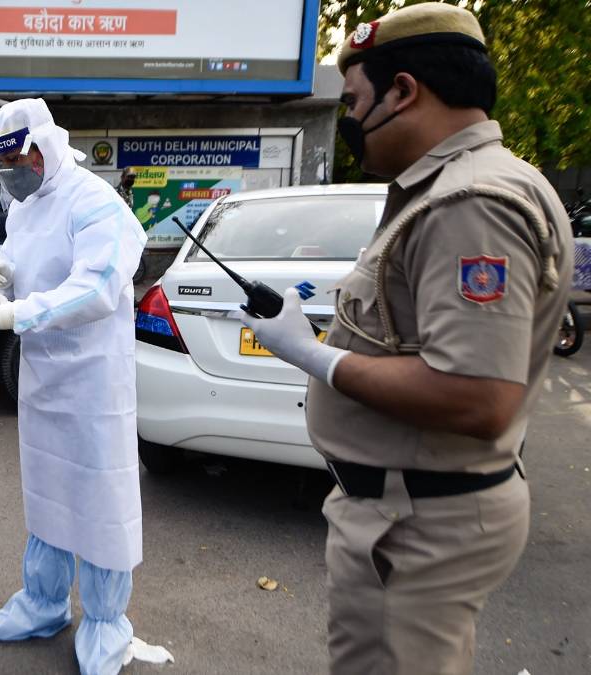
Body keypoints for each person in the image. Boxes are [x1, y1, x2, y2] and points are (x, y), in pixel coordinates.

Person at [238, 4, 573, 673]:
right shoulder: (452, 190)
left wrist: (309, 353)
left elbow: (479, 396)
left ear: (404, 92)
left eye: (356, 101)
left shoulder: (471, 203)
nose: (353, 121)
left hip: (415, 525)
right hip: (411, 509)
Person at [0, 99, 148, 675]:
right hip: (42, 382)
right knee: (48, 494)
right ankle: (44, 601)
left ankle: (107, 622)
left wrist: (1, 319)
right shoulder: (24, 205)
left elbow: (96, 290)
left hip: (93, 386)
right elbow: (18, 273)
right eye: (0, 166)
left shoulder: (97, 204)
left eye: (16, 162)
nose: (9, 177)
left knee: (100, 501)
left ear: (43, 148)